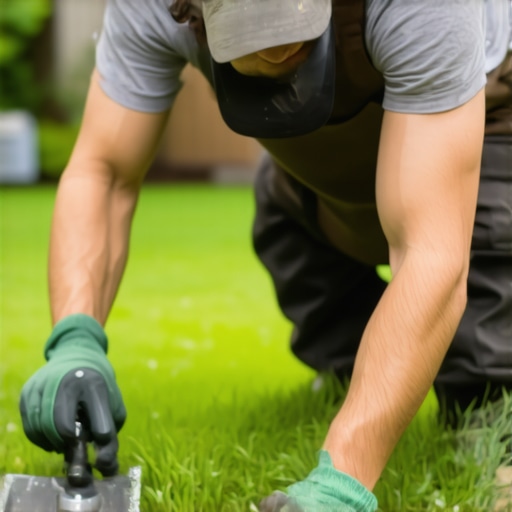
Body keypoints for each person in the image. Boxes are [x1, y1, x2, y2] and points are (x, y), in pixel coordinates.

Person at [18, 0, 512, 510]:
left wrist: (343, 482)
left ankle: (488, 409)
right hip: (319, 161)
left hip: (484, 118)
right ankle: (353, 381)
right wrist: (75, 339)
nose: (278, 43)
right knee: (288, 231)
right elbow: (105, 173)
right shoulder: (148, 6)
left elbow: (430, 252)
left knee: (485, 363)